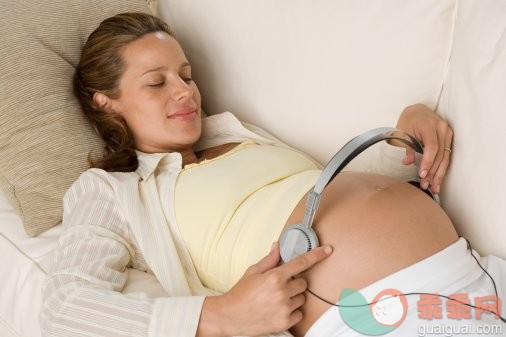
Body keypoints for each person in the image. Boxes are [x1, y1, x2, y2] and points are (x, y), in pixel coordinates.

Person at [41, 12, 503, 337]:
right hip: (375, 314)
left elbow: (328, 192)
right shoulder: (112, 191)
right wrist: (219, 316)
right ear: (106, 101)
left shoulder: (236, 133)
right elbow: (63, 309)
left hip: (473, 276)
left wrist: (409, 128)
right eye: (157, 82)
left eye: (186, 75)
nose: (185, 92)